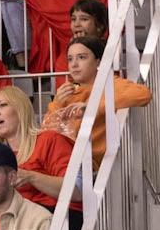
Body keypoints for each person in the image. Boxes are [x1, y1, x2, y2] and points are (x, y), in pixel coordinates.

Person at [43, 36, 152, 169]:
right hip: (66, 162)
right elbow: (48, 133)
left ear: (98, 62)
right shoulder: (67, 92)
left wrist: (94, 108)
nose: (74, 64)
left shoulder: (111, 84)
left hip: (95, 166)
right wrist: (58, 103)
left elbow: (143, 94)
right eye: (70, 59)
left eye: (82, 57)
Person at [0, 85, 73, 215]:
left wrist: (30, 177)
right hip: (13, 218)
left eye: (2, 105)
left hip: (54, 216)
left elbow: (74, 189)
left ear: (21, 109)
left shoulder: (48, 139)